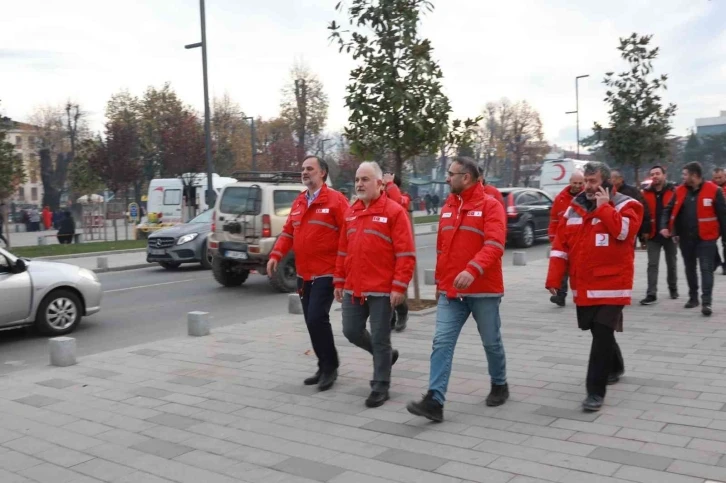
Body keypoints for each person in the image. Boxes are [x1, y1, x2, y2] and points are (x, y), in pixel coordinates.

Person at [406, 156, 508, 422]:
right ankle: (435, 401)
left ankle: (499, 383)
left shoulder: (490, 206)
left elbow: (495, 245)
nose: (447, 178)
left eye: (451, 174)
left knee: (491, 341)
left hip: (484, 290)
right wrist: (441, 282)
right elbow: (444, 250)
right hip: (452, 293)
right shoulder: (449, 206)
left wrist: (472, 269)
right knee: (441, 342)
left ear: (467, 177)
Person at [546, 161, 643, 412]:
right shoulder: (574, 208)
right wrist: (554, 279)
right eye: (586, 181)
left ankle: (594, 392)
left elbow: (623, 232)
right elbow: (561, 245)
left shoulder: (628, 205)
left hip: (614, 284)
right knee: (597, 330)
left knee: (601, 333)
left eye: (593, 182)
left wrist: (604, 208)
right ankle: (617, 365)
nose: (587, 187)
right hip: (584, 285)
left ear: (607, 183)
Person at [334, 161, 415, 408]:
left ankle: (380, 385)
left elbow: (405, 254)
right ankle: (387, 358)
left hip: (382, 289)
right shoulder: (351, 212)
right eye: (357, 179)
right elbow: (342, 250)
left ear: (380, 183)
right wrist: (339, 280)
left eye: (365, 179)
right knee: (350, 330)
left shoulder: (394, 212)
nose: (359, 184)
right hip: (354, 287)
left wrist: (399, 286)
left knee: (380, 338)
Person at [267, 156, 349, 391]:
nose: (304, 172)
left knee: (316, 318)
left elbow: (349, 233)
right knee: (311, 322)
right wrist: (275, 255)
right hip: (304, 274)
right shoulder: (300, 201)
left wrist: (344, 270)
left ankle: (331, 367)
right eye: (302, 169)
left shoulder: (335, 200)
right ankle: (323, 365)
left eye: (309, 169)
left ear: (322, 173)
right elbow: (288, 233)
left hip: (326, 272)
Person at [661, 162, 726, 316]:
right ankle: (693, 297)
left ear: (694, 175)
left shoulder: (714, 190)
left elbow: (723, 216)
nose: (683, 177)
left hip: (707, 238)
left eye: (685, 174)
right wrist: (665, 226)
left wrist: (724, 238)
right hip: (685, 239)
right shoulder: (680, 191)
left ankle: (707, 302)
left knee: (706, 269)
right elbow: (668, 210)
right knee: (690, 268)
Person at [639, 165, 678, 305]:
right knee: (652, 264)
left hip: (669, 234)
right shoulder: (645, 193)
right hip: (652, 234)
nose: (655, 176)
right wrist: (641, 235)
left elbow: (678, 212)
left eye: (657, 173)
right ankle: (651, 294)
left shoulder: (674, 191)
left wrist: (676, 231)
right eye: (652, 174)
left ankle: (673, 288)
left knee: (671, 263)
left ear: (664, 175)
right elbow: (641, 214)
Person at [547, 171, 584, 307]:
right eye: (575, 183)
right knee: (562, 268)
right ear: (570, 182)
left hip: (580, 240)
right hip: (563, 240)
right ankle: (560, 296)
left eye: (580, 183)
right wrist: (553, 237)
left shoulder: (587, 197)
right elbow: (554, 219)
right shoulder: (560, 198)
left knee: (579, 270)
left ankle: (582, 295)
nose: (577, 186)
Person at [383, 173, 411, 332]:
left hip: (398, 252)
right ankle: (390, 318)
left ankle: (402, 312)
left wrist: (390, 184)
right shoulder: (381, 198)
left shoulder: (404, 198)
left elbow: (398, 202)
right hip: (383, 252)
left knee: (396, 288)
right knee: (384, 288)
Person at [712, 167, 726, 275]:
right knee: (710, 242)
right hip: (715, 220)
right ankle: (716, 261)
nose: (717, 180)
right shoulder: (710, 187)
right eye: (715, 178)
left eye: (720, 177)